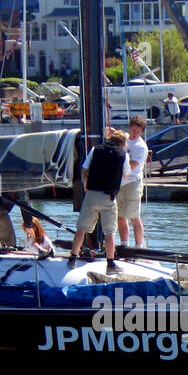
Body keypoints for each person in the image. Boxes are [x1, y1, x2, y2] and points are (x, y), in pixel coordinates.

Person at [70, 129, 126, 269]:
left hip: (92, 194)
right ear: (122, 143)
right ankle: (110, 262)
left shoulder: (95, 150)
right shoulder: (122, 155)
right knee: (110, 232)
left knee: (81, 229)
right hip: (108, 196)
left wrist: (85, 185)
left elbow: (84, 170)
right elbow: (125, 175)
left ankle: (73, 258)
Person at [116, 114, 149, 248]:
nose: (135, 134)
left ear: (141, 132)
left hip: (133, 182)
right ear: (130, 128)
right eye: (133, 130)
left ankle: (139, 245)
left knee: (134, 216)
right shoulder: (123, 138)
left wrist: (116, 160)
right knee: (120, 216)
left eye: (138, 132)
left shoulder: (141, 146)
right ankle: (124, 244)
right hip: (120, 183)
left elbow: (133, 165)